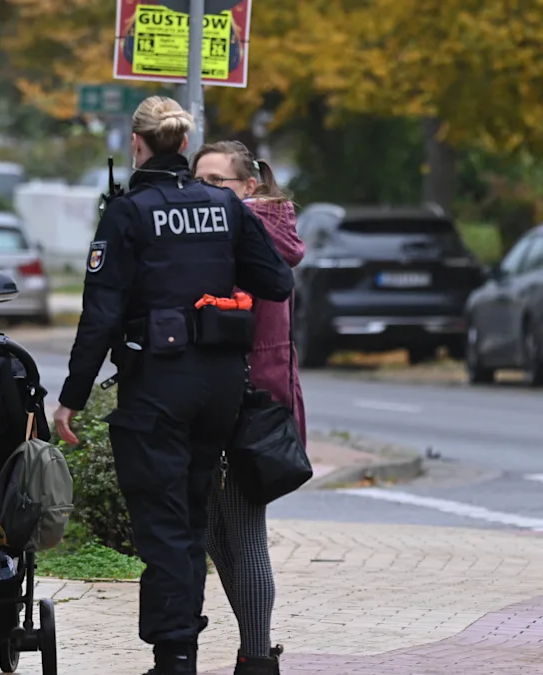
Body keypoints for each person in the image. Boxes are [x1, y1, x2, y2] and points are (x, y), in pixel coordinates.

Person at [51, 96, 294, 675]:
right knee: (190, 517)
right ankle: (181, 646)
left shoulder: (128, 213)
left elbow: (100, 315)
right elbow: (277, 282)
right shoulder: (225, 208)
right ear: (184, 145)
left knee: (163, 525)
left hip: (158, 389)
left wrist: (72, 398)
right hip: (218, 388)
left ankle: (175, 656)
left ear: (137, 144)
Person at [191, 141, 306, 675]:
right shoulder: (242, 228)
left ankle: (256, 657)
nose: (208, 191)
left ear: (249, 187)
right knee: (219, 531)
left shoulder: (248, 234)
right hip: (241, 393)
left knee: (243, 530)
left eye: (220, 182)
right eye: (201, 180)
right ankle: (255, 649)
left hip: (249, 399)